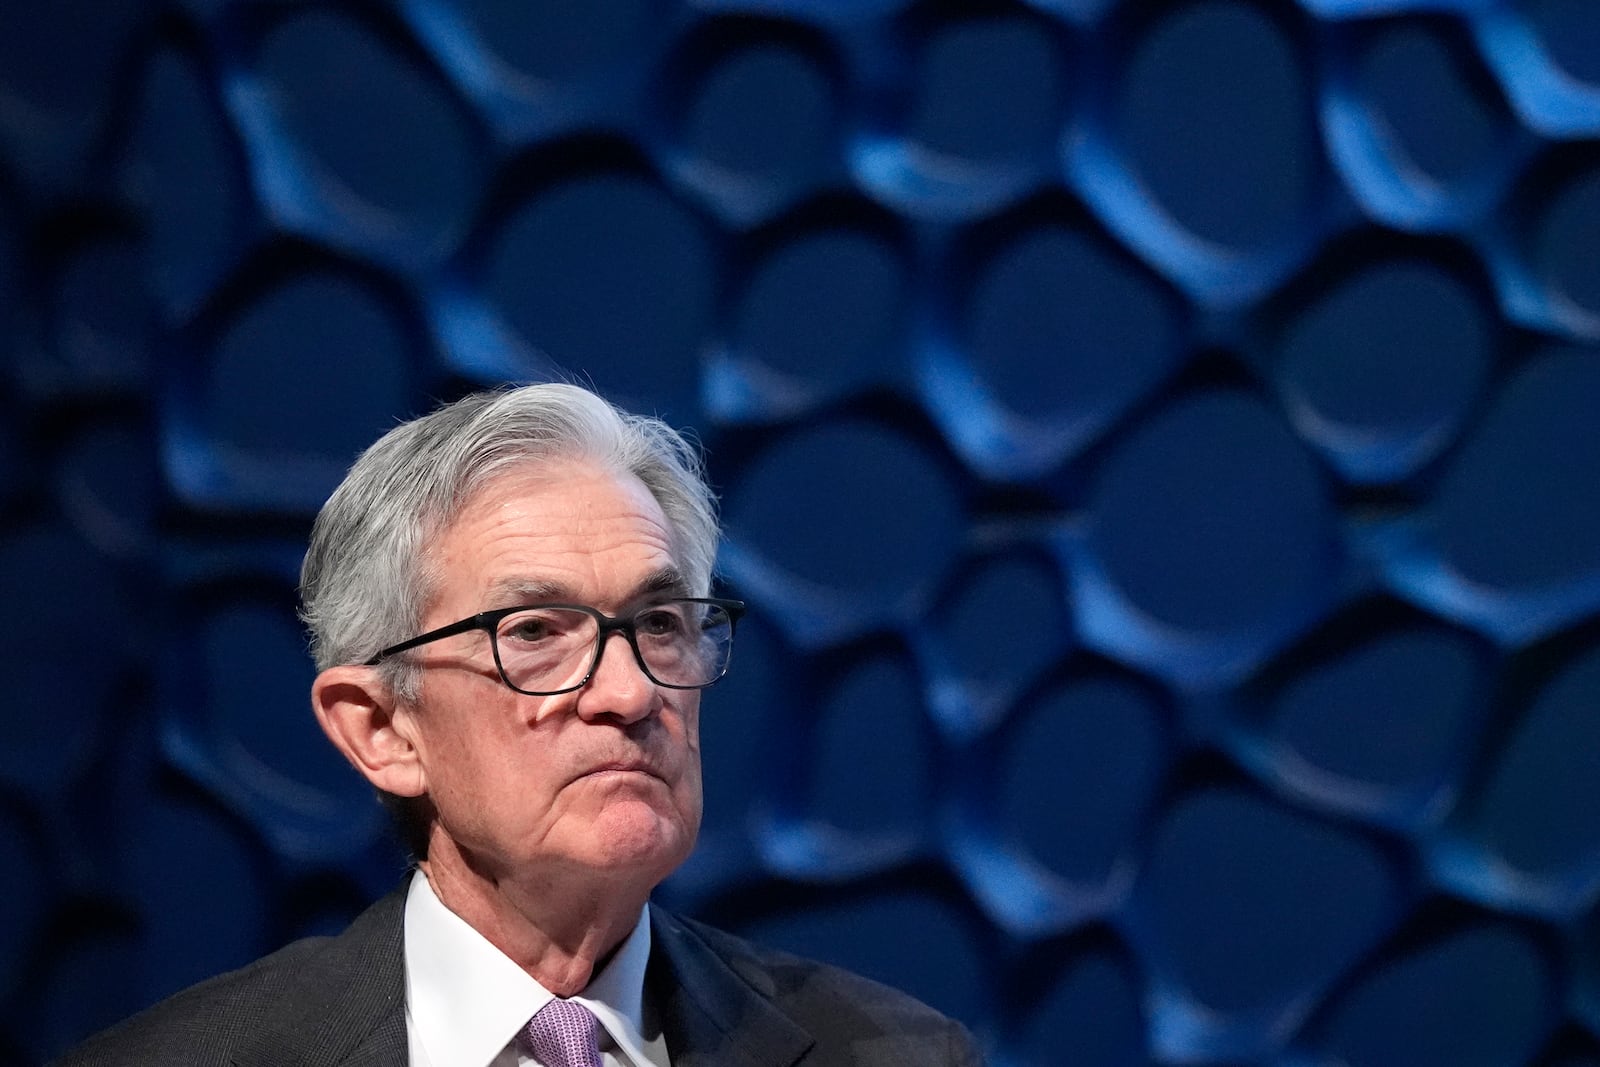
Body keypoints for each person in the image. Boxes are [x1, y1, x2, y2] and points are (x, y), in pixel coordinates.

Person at [56, 383, 984, 1066]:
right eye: (534, 632)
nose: (626, 692)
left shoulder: (902, 1055)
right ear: (382, 728)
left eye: (660, 623)